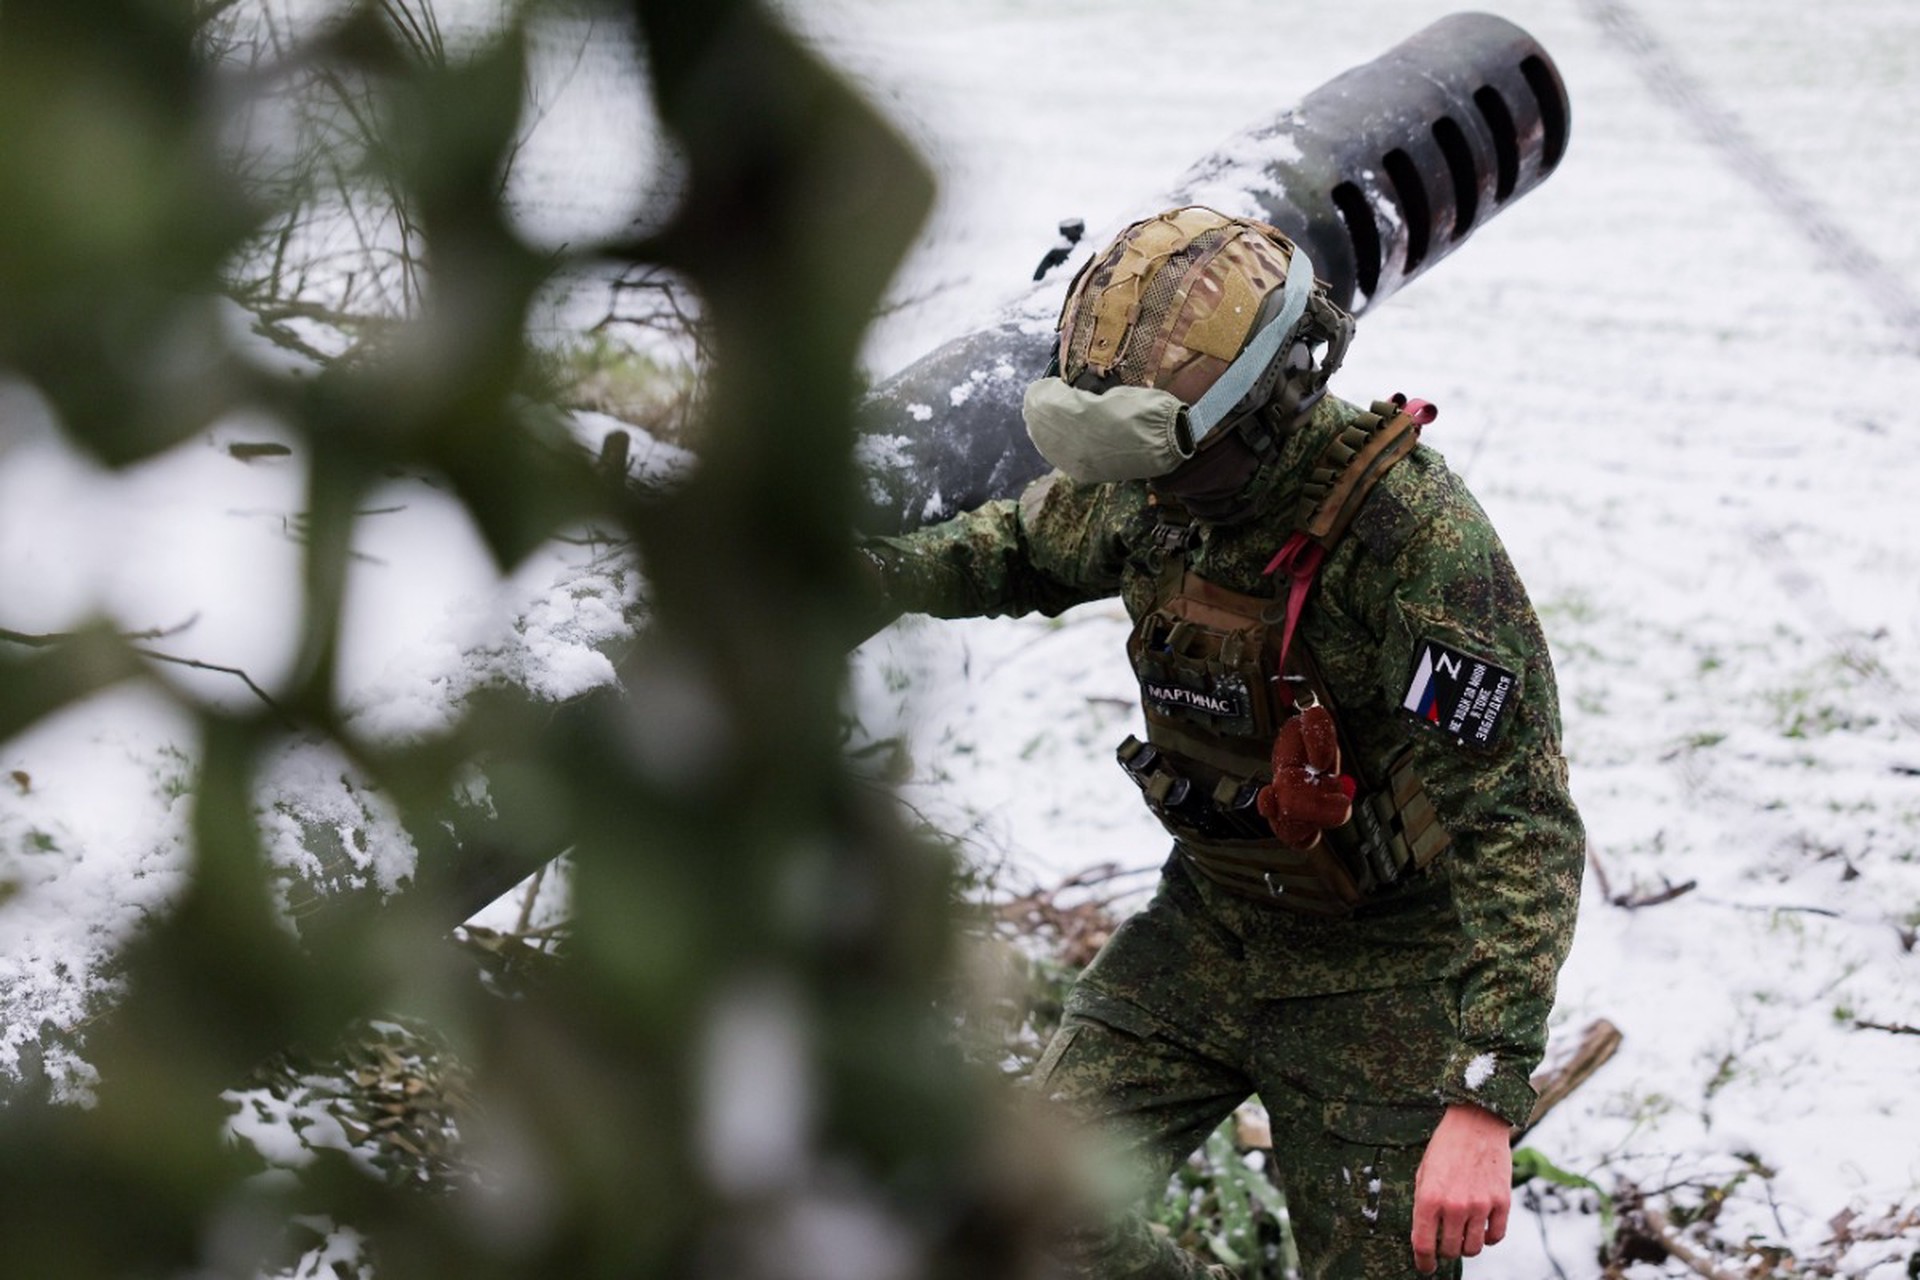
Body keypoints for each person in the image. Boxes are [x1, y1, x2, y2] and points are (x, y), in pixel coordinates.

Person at [860, 206, 1584, 1278]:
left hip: (1383, 973)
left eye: (1165, 464)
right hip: (1210, 927)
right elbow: (1020, 547)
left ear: (1269, 409)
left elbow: (1519, 823)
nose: (1144, 495)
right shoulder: (1158, 494)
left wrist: (1486, 1094)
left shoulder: (1411, 542)